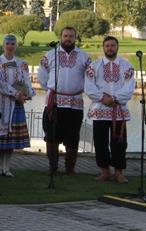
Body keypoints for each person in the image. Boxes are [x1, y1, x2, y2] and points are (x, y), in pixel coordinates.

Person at [38, 26, 91, 176]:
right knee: (52, 134)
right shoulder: (50, 55)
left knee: (73, 136)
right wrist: (51, 88)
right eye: (65, 36)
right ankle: (52, 167)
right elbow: (42, 76)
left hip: (75, 102)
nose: (68, 39)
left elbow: (90, 78)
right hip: (55, 101)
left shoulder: (84, 57)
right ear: (61, 37)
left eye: (71, 36)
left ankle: (70, 169)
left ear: (75, 38)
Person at [0, 34, 34, 177]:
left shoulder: (22, 64)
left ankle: (7, 167)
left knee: (10, 137)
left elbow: (27, 81)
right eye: (7, 44)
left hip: (16, 103)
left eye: (13, 44)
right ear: (3, 45)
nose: (10, 46)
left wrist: (27, 94)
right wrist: (15, 93)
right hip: (0, 100)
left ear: (16, 46)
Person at [85, 36, 135, 182]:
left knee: (119, 143)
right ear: (103, 47)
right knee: (100, 143)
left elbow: (129, 87)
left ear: (117, 47)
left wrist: (114, 99)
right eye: (107, 45)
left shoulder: (127, 66)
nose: (110, 48)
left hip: (118, 111)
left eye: (113, 45)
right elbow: (89, 88)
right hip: (100, 110)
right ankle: (104, 171)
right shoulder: (94, 66)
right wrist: (103, 98)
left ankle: (119, 172)